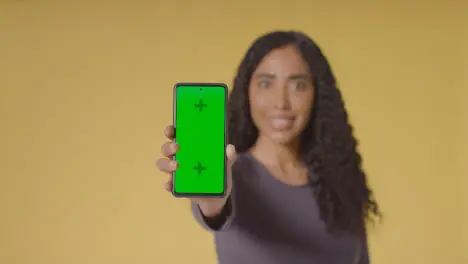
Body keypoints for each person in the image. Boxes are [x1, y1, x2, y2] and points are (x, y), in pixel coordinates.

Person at [156, 31, 381, 264]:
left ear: (317, 95)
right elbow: (214, 211)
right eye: (266, 84)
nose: (281, 102)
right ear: (247, 91)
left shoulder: (339, 178)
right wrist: (210, 198)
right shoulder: (232, 173)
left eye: (298, 86)